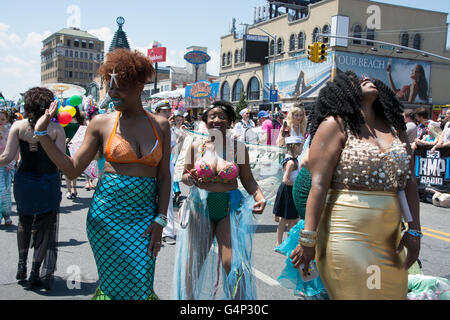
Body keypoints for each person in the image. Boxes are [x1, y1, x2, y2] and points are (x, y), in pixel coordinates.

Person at [34, 49, 172, 300]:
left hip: (145, 220)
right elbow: (72, 168)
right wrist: (43, 136)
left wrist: (161, 220)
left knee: (141, 286)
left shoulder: (160, 125)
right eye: (110, 87)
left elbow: (163, 177)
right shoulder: (101, 122)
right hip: (106, 219)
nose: (113, 94)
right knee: (114, 286)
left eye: (122, 87)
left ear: (140, 86)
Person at [290, 71, 421, 300]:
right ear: (342, 90)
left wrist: (415, 230)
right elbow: (318, 186)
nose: (365, 77)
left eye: (366, 76)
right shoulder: (335, 125)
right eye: (354, 78)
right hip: (346, 235)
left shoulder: (394, 128)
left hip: (389, 239)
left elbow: (409, 181)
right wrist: (308, 239)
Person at [173, 100, 266, 300]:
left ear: (230, 121)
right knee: (195, 261)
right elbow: (184, 176)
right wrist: (190, 178)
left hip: (229, 207)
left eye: (222, 116)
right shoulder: (195, 147)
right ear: (206, 120)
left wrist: (259, 196)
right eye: (212, 116)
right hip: (201, 207)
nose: (217, 120)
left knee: (231, 262)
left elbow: (248, 180)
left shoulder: (239, 148)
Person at [0, 87, 65, 290]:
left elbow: (7, 157)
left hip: (24, 180)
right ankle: (36, 270)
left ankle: (22, 264)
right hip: (47, 180)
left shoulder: (18, 126)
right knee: (45, 225)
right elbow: (61, 160)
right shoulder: (56, 129)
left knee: (24, 220)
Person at [276, 136, 328, 299]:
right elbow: (305, 160)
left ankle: (316, 289)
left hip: (317, 199)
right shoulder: (329, 126)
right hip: (310, 199)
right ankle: (314, 290)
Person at [273, 136, 304, 249]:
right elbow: (286, 179)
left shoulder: (291, 159)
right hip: (288, 190)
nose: (302, 149)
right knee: (286, 218)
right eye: (301, 146)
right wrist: (298, 185)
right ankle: (279, 242)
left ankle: (286, 242)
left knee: (291, 218)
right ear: (295, 146)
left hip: (289, 189)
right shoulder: (291, 162)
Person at [154, 100, 176, 245]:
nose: (167, 114)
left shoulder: (170, 129)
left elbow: (172, 147)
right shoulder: (150, 126)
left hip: (166, 165)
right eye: (164, 111)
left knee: (166, 198)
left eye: (168, 111)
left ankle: (167, 232)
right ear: (157, 112)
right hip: (151, 165)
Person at [64, 107, 85, 199]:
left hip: (76, 145)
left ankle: (74, 188)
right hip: (66, 145)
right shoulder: (63, 118)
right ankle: (68, 190)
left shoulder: (79, 119)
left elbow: (84, 131)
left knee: (75, 167)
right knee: (67, 168)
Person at [0, 111, 16, 226]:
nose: (0, 122)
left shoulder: (10, 132)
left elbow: (16, 148)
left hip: (7, 166)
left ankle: (6, 214)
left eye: (2, 119)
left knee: (5, 192)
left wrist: (13, 162)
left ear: (6, 120)